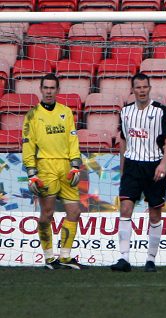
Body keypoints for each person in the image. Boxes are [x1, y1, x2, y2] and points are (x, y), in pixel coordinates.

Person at [110, 73, 166, 272]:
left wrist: (164, 164)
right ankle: (124, 259)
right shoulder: (126, 112)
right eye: (137, 87)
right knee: (125, 209)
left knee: (155, 214)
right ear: (132, 90)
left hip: (154, 165)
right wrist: (123, 168)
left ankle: (150, 259)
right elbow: (123, 140)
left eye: (144, 87)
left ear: (149, 88)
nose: (141, 90)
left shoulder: (160, 111)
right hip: (132, 165)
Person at [22, 73, 84, 270]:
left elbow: (73, 140)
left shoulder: (65, 112)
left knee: (74, 212)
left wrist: (75, 165)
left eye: (52, 88)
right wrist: (31, 173)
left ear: (58, 90)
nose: (49, 91)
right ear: (41, 89)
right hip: (45, 167)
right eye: (46, 88)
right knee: (47, 213)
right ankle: (49, 257)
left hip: (66, 167)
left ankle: (65, 256)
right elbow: (28, 145)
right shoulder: (32, 115)